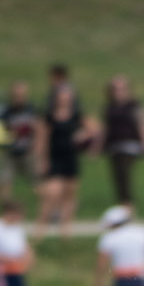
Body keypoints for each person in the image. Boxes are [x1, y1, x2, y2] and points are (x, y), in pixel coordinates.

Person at [37, 66, 90, 237]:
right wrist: (42, 159)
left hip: (70, 157)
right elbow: (43, 138)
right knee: (51, 194)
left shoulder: (76, 115)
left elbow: (94, 128)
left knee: (69, 194)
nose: (64, 99)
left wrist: (83, 135)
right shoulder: (50, 116)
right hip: (54, 157)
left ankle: (65, 230)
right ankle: (41, 229)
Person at [103, 75, 144, 211]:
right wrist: (96, 146)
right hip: (114, 147)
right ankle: (124, 206)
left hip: (130, 146)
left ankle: (128, 207)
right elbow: (105, 128)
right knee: (118, 178)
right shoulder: (110, 107)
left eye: (121, 89)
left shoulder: (134, 106)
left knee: (124, 176)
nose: (118, 92)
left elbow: (143, 125)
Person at [0, 79, 38, 208]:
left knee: (38, 183)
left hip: (28, 151)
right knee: (4, 181)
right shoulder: (7, 111)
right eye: (16, 95)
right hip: (11, 152)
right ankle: (5, 210)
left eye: (21, 95)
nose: (18, 98)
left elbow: (40, 130)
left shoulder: (32, 110)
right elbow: (0, 130)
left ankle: (49, 210)